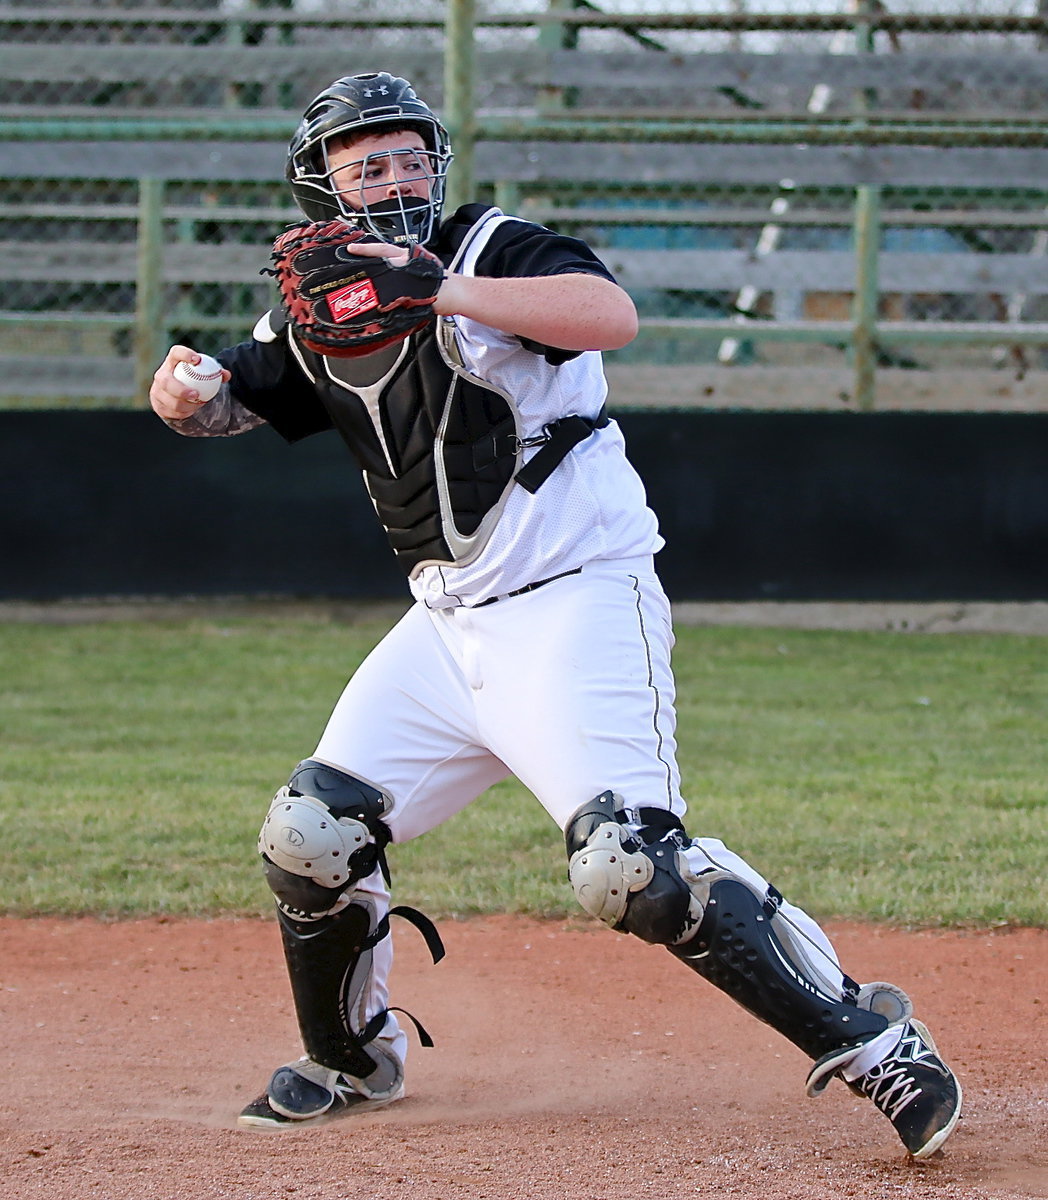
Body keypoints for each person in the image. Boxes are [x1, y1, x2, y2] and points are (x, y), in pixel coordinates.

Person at [149, 72, 961, 1158]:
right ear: (321, 183)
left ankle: (877, 1044)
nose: (391, 178)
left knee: (632, 865)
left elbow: (608, 315)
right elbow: (241, 396)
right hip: (447, 629)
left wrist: (438, 288)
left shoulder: (493, 248)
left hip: (577, 601)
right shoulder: (314, 302)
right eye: (363, 162)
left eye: (406, 156)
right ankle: (352, 1058)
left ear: (436, 164)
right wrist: (188, 396)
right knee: (310, 835)